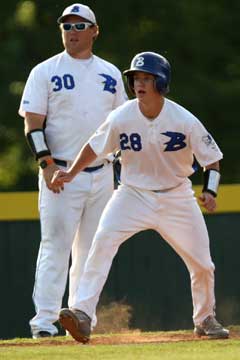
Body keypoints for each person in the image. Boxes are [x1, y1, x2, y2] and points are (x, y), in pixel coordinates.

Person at [51, 51, 229, 343]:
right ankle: (82, 313)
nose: (139, 84)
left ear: (162, 82)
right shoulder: (122, 115)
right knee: (101, 242)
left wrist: (209, 190)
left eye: (147, 78)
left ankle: (205, 317)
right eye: (135, 78)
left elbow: (212, 160)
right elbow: (95, 147)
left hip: (177, 196)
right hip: (132, 194)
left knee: (202, 264)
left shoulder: (183, 119)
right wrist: (70, 172)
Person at [18, 3, 127, 338]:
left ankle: (80, 318)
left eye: (81, 26)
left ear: (95, 31)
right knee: (55, 245)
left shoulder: (110, 73)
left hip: (102, 172)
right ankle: (44, 322)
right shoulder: (45, 71)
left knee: (91, 250)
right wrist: (47, 164)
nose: (73, 32)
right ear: (60, 31)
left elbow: (122, 126)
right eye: (67, 26)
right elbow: (32, 124)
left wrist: (123, 168)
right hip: (62, 172)